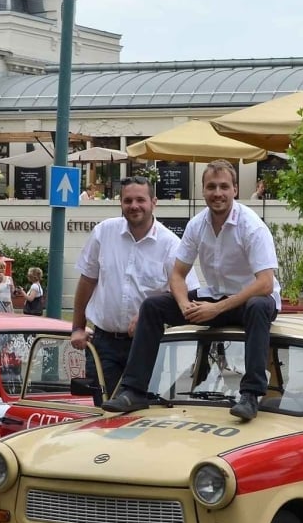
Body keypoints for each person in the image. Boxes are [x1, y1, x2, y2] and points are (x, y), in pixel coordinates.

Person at [102, 159, 279, 422]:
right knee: (152, 306)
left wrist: (216, 308)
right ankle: (134, 390)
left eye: (223, 187)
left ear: (235, 190)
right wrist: (184, 304)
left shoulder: (251, 226)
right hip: (215, 298)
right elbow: (177, 274)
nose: (217, 193)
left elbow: (265, 283)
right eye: (211, 187)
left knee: (257, 305)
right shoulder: (197, 224)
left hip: (253, 300)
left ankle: (251, 395)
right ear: (202, 190)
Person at [70, 176, 184, 396]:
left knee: (141, 412)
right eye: (128, 200)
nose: (134, 206)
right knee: (104, 413)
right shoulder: (104, 232)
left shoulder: (170, 244)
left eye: (140, 200)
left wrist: (148, 314)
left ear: (154, 202)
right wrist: (77, 327)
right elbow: (87, 281)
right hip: (103, 343)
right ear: (120, 203)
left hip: (146, 344)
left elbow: (182, 294)